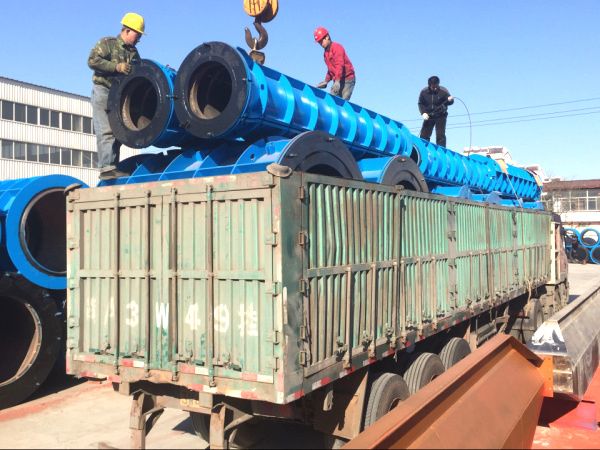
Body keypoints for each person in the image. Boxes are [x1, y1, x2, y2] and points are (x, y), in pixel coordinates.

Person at [88, 13, 144, 180]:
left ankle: (113, 167)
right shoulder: (107, 43)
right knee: (106, 130)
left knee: (117, 131)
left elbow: (138, 72)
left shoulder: (133, 53)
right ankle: (106, 168)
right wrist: (116, 67)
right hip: (103, 90)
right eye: (137, 35)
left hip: (119, 95)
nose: (139, 39)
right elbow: (92, 61)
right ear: (127, 30)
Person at [314, 27, 356, 100]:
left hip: (347, 80)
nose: (321, 44)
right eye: (319, 42)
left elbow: (339, 65)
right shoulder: (326, 54)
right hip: (338, 79)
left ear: (327, 37)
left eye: (321, 41)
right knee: (331, 101)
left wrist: (337, 81)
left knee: (343, 102)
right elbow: (331, 69)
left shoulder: (337, 47)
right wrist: (326, 81)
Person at [418, 76, 454, 148]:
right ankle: (423, 148)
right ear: (429, 85)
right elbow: (420, 103)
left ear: (438, 84)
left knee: (440, 135)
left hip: (441, 115)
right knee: (424, 135)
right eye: (432, 86)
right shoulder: (424, 92)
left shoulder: (443, 91)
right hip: (429, 116)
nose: (434, 88)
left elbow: (450, 102)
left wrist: (451, 100)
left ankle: (441, 150)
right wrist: (423, 113)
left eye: (436, 86)